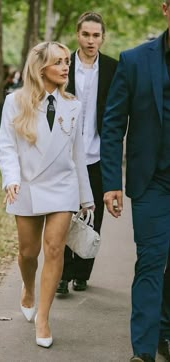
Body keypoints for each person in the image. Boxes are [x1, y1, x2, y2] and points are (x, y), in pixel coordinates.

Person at [0, 41, 94, 348]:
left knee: (54, 250)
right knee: (28, 253)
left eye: (67, 61)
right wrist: (10, 179)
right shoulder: (15, 101)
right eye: (59, 62)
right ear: (41, 69)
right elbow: (7, 145)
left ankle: (43, 316)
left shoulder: (73, 105)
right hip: (26, 185)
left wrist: (85, 196)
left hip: (62, 186)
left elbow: (78, 153)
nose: (67, 67)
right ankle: (28, 287)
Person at [100, 2, 170, 361]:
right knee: (151, 260)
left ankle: (166, 332)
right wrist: (111, 181)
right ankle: (143, 351)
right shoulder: (134, 61)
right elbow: (112, 125)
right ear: (165, 9)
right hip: (152, 180)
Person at [56, 11, 117, 294]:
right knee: (64, 213)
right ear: (77, 35)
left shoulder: (114, 68)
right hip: (64, 155)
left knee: (93, 216)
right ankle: (62, 274)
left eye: (96, 35)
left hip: (98, 154)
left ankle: (82, 272)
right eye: (86, 34)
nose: (91, 40)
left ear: (103, 37)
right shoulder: (61, 65)